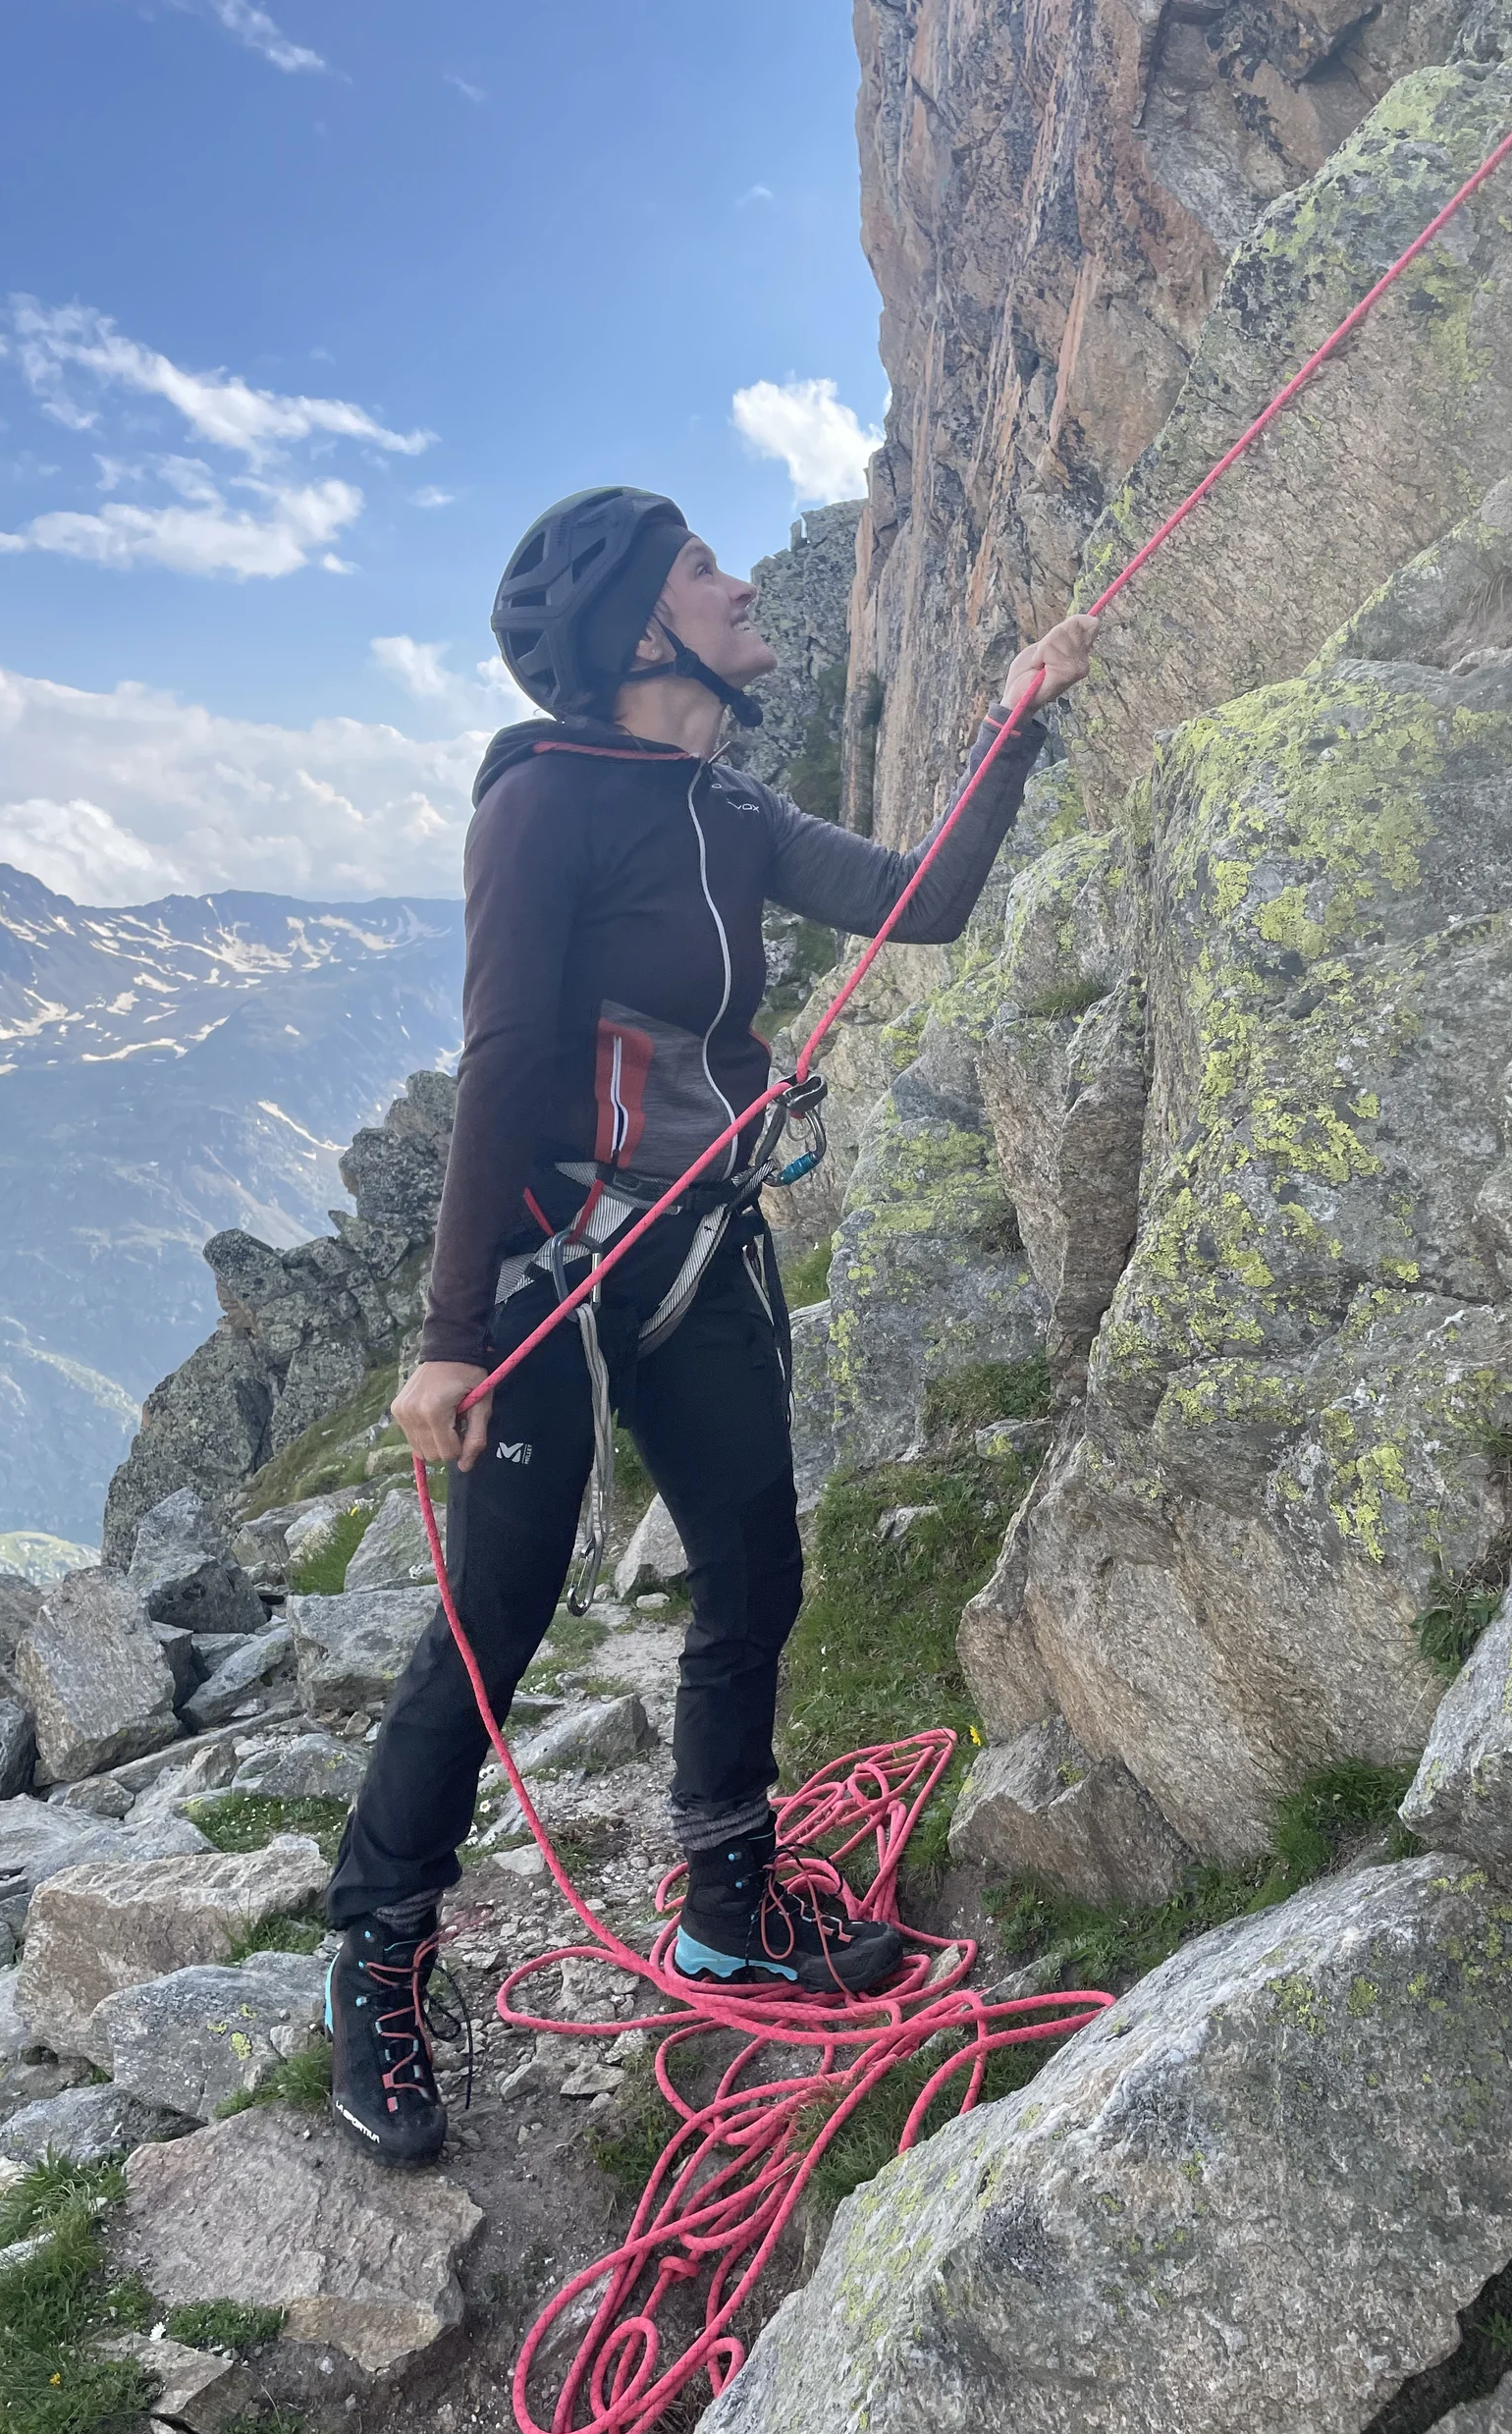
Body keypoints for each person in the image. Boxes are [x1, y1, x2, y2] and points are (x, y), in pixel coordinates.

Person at [323, 485, 1098, 2164]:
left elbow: (924, 902)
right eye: (700, 568)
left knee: (754, 1566)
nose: (741, 584)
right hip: (552, 1261)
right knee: (499, 1607)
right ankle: (375, 1948)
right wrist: (448, 1336)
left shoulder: (726, 805)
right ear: (635, 630)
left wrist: (1016, 722)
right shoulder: (543, 805)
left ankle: (727, 1907)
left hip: (702, 1243)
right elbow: (502, 1060)